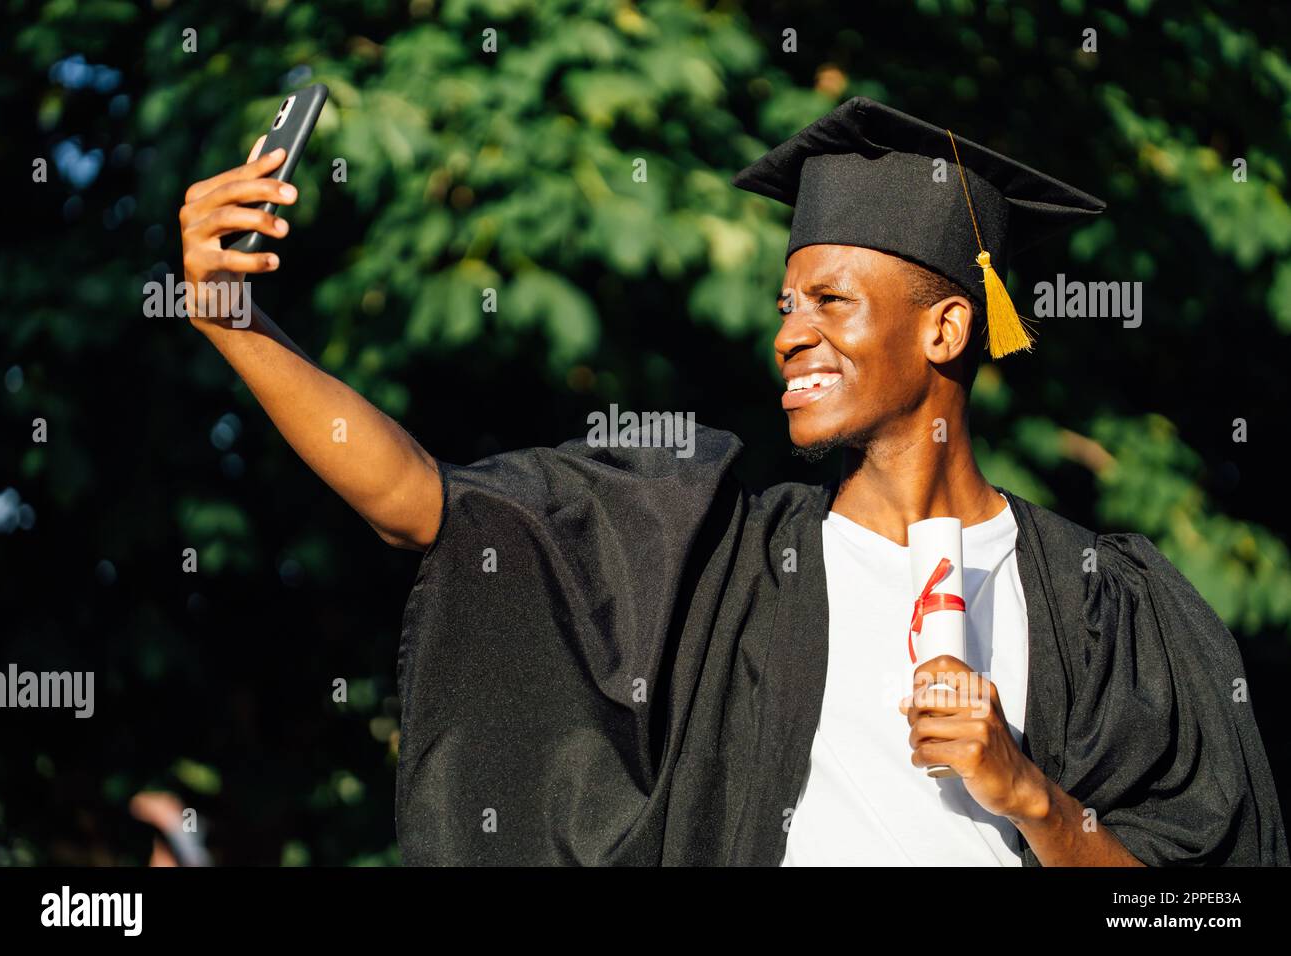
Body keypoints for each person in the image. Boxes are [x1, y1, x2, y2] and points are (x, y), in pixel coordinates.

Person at [177, 96, 1287, 866]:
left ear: (948, 325)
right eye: (784, 305)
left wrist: (1030, 792)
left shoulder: (1112, 603)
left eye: (830, 302)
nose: (790, 335)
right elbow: (421, 497)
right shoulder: (712, 553)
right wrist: (236, 326)